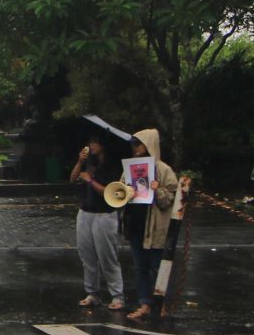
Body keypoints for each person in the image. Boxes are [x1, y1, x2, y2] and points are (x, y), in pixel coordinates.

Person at [121, 128, 178, 321]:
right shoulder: (131, 167)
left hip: (155, 227)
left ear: (149, 144)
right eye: (134, 144)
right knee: (140, 267)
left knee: (157, 267)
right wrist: (126, 191)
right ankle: (145, 303)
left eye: (139, 143)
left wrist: (158, 190)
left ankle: (162, 305)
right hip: (137, 224)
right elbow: (120, 192)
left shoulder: (163, 170)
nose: (135, 147)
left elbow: (171, 198)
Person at [69, 134, 124, 310]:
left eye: (95, 143)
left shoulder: (112, 165)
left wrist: (90, 180)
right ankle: (92, 292)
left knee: (107, 255)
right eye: (89, 142)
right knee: (87, 255)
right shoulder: (89, 163)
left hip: (104, 213)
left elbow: (110, 192)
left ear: (103, 145)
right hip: (86, 211)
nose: (91, 146)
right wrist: (79, 162)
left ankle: (117, 295)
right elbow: (72, 179)